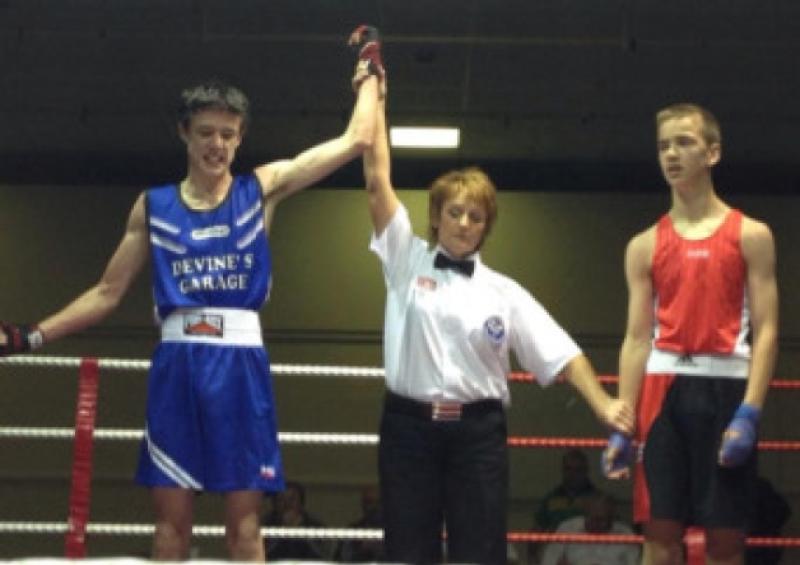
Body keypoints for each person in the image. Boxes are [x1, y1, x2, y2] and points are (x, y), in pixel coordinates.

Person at [0, 31, 379, 561]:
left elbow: (357, 139)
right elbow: (107, 293)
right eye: (206, 132)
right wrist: (32, 334)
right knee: (170, 528)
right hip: (178, 365)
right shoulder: (152, 207)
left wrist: (369, 74)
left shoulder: (261, 189)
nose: (217, 144)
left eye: (228, 133)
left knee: (244, 527)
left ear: (241, 137)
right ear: (184, 133)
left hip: (241, 366)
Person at [355, 30, 634, 565]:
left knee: (480, 554)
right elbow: (376, 178)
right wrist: (376, 92)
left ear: (487, 227)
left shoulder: (504, 293)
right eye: (454, 213)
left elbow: (563, 352)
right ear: (435, 217)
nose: (463, 223)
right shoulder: (405, 257)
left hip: (477, 436)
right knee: (407, 552)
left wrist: (604, 407)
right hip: (408, 429)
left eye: (475, 216)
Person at [602, 103, 779, 565]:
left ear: (713, 152)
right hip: (662, 394)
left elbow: (768, 331)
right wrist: (624, 419)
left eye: (684, 142)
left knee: (724, 541)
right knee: (659, 535)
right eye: (663, 146)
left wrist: (751, 413)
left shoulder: (752, 235)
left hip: (726, 390)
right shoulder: (643, 245)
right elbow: (636, 338)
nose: (671, 154)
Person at [539, 492, 640, 565]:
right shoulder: (567, 529)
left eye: (608, 519)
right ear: (586, 514)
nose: (604, 524)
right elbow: (548, 561)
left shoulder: (625, 534)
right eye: (598, 520)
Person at [263, 480, 330, 561]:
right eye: (281, 499)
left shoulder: (315, 526)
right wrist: (282, 530)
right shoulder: (265, 526)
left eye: (292, 499)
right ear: (274, 503)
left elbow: (324, 555)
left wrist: (301, 531)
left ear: (301, 502)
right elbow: (260, 554)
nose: (287, 504)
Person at [535, 449, 599, 532]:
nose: (572, 474)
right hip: (557, 543)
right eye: (568, 469)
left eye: (578, 470)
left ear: (586, 471)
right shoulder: (551, 499)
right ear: (562, 470)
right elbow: (536, 533)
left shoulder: (598, 499)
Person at [334, 484, 385, 562]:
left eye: (378, 502)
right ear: (363, 505)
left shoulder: (396, 531)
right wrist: (361, 551)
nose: (374, 507)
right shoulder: (352, 531)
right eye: (370, 502)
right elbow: (340, 560)